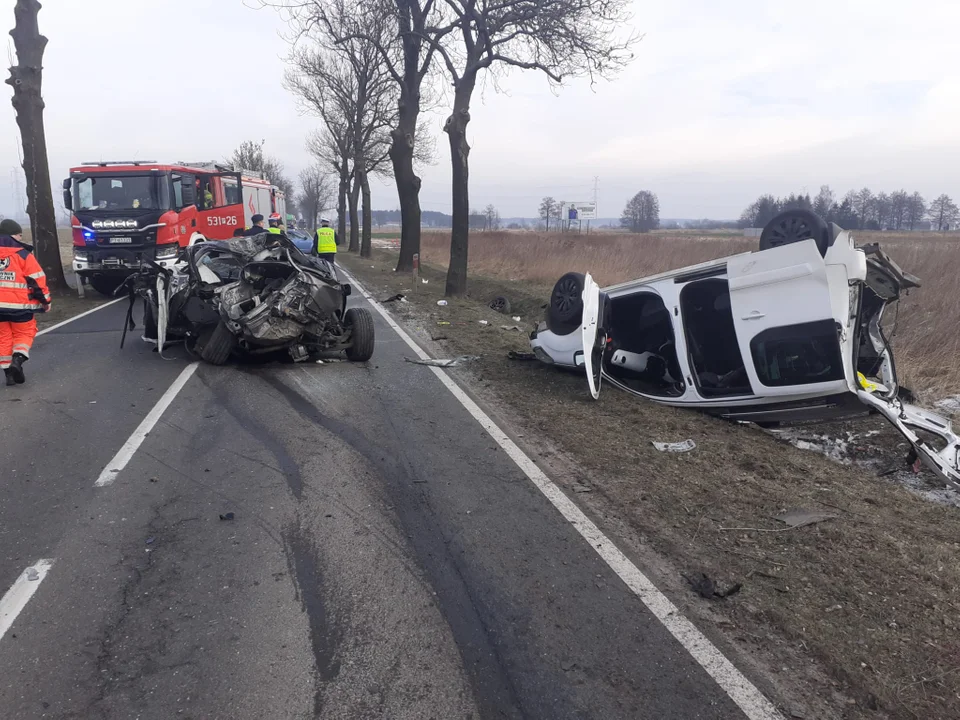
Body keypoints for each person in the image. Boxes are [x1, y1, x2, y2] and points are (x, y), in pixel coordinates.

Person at [0, 219, 50, 386]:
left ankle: (8, 375)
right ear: (13, 235)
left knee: (3, 338)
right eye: (19, 235)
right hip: (20, 307)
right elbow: (38, 281)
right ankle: (17, 360)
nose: (21, 239)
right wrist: (45, 301)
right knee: (24, 334)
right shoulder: (23, 255)